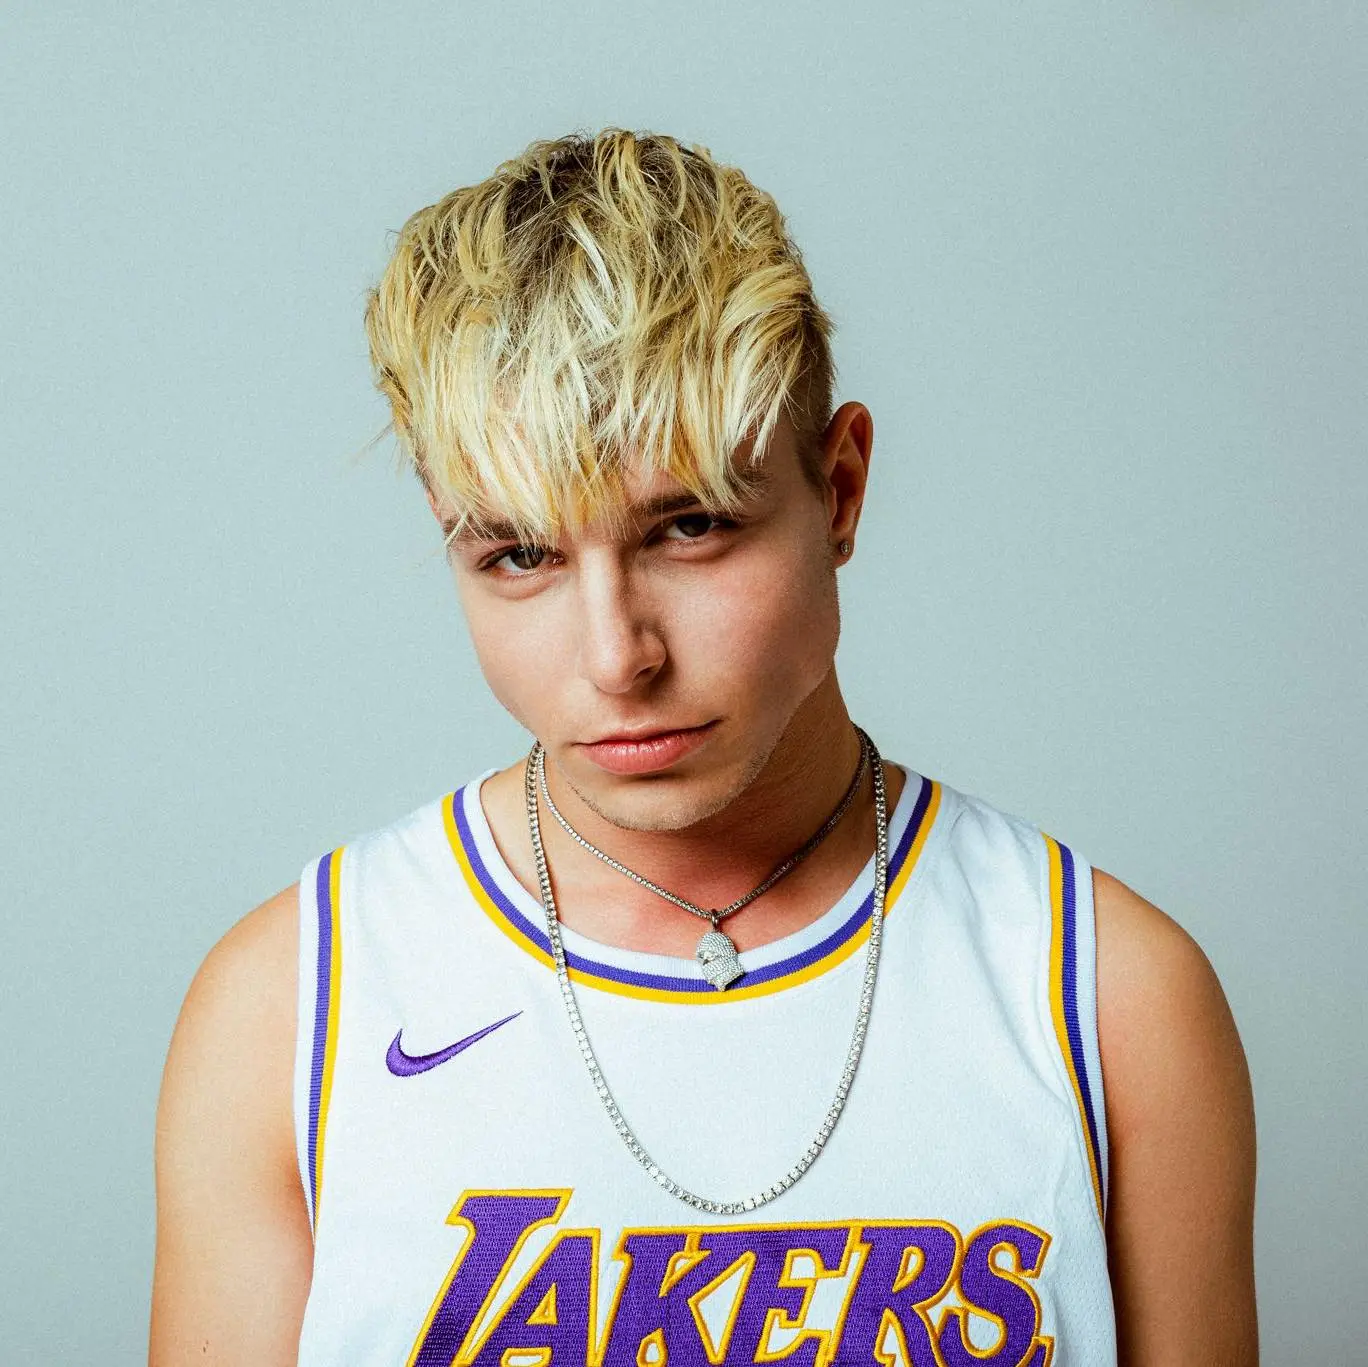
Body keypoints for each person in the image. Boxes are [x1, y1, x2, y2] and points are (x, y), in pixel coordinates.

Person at [149, 128, 1258, 1366]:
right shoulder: (292, 1003)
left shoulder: (1111, 997)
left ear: (840, 490)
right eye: (520, 553)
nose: (616, 655)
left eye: (688, 528)